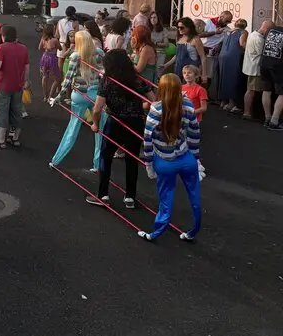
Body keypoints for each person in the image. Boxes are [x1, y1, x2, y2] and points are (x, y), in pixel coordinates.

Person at [138, 73, 203, 242]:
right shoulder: (188, 104)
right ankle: (193, 231)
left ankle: (155, 233)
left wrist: (149, 163)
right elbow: (195, 133)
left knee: (166, 200)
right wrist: (196, 158)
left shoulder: (156, 108)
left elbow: (147, 138)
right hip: (185, 157)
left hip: (164, 160)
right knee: (195, 197)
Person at [88, 49, 156, 208]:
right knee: (131, 158)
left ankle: (103, 194)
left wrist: (95, 124)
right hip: (136, 122)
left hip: (115, 122)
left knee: (106, 156)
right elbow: (154, 102)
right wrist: (140, 106)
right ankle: (130, 197)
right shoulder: (138, 79)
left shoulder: (108, 80)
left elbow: (97, 109)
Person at [49, 30, 105, 169]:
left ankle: (56, 161)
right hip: (96, 95)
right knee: (100, 131)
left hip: (79, 95)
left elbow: (67, 79)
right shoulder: (99, 52)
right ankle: (98, 165)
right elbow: (103, 73)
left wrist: (58, 96)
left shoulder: (75, 56)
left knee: (72, 129)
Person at [0, 25, 29, 148]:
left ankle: (2, 139)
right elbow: (26, 66)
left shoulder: (1, 48)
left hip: (3, 84)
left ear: (3, 36)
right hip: (18, 84)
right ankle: (15, 138)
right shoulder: (23, 48)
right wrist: (25, 81)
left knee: (2, 110)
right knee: (16, 110)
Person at [242, 19, 272, 120]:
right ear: (266, 28)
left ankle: (248, 112)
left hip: (249, 66)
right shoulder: (259, 39)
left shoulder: (252, 34)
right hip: (255, 68)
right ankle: (247, 113)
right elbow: (264, 53)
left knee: (250, 90)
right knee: (251, 91)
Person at [217, 18, 247, 112]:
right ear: (244, 26)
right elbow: (242, 43)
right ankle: (232, 104)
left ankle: (223, 102)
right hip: (233, 56)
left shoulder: (228, 32)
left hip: (223, 56)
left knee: (223, 78)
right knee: (233, 78)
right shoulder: (243, 32)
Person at [165, 17, 206, 84]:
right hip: (178, 70)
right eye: (178, 27)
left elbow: (203, 57)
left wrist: (204, 74)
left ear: (189, 27)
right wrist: (166, 65)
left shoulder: (195, 39)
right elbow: (177, 55)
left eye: (182, 27)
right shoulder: (179, 38)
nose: (179, 29)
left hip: (191, 71)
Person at [38, 23, 61, 100]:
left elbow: (40, 48)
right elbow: (60, 48)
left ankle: (45, 96)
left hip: (45, 57)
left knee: (45, 76)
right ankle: (50, 96)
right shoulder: (54, 40)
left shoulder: (43, 38)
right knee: (57, 78)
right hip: (53, 58)